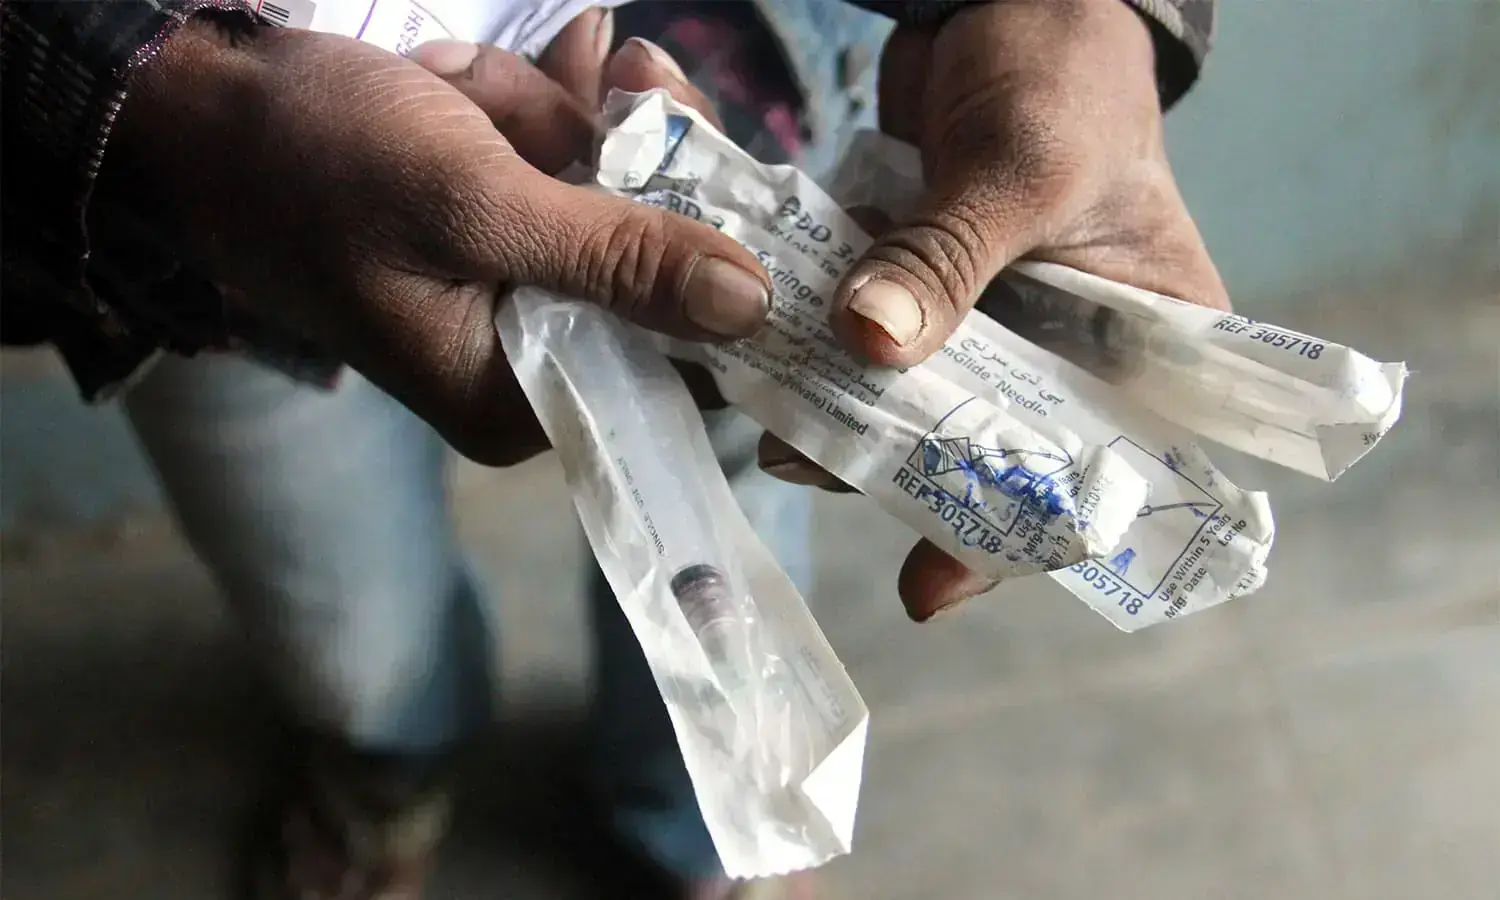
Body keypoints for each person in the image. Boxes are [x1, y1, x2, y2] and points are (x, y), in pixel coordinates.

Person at [0, 1, 1225, 898]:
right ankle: (389, 752)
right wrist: (154, 100)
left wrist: (1101, 11)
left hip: (728, 85)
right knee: (338, 620)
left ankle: (700, 835)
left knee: (731, 566)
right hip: (200, 224)